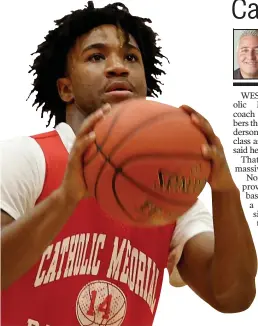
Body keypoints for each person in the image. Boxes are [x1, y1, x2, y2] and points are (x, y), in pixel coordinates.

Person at [1, 2, 257, 326]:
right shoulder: (27, 158)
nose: (118, 67)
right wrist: (65, 199)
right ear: (65, 88)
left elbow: (233, 296)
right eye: (97, 56)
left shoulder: (171, 194)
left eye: (131, 58)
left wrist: (224, 190)